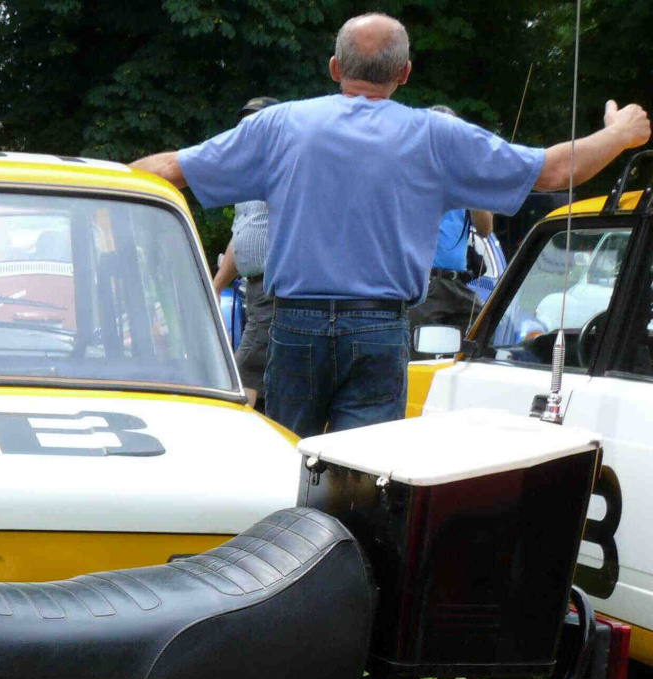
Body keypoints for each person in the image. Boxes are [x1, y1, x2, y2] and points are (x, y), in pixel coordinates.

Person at [131, 13, 650, 436]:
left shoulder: (280, 125)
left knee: (289, 468)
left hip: (293, 326)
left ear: (335, 67)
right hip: (379, 328)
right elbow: (554, 171)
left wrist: (97, 190)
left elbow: (170, 168)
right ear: (404, 73)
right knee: (364, 482)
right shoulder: (435, 136)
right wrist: (620, 134)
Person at [211, 97, 278, 409]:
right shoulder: (247, 179)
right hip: (254, 289)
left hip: (276, 288)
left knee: (243, 372)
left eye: (255, 123)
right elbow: (241, 238)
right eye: (244, 124)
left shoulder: (286, 172)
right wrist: (216, 286)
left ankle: (234, 433)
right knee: (264, 375)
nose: (246, 131)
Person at [412, 105, 495, 335]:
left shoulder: (463, 177)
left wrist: (473, 186)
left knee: (482, 336)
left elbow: (485, 229)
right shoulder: (414, 171)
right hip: (426, 282)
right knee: (421, 350)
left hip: (458, 283)